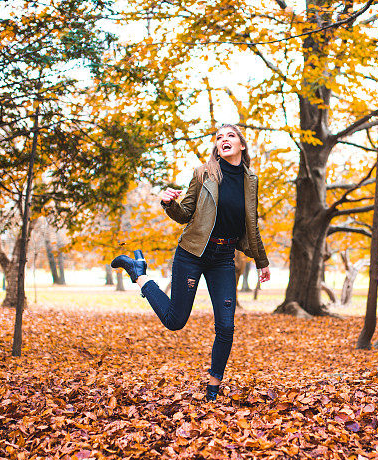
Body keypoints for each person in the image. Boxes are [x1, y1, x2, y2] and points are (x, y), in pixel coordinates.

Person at [111, 124, 270, 400]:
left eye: (230, 135)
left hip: (223, 258)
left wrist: (261, 260)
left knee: (226, 325)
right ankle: (140, 275)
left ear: (242, 146)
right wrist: (168, 203)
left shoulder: (250, 181)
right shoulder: (204, 173)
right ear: (217, 147)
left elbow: (251, 224)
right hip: (193, 253)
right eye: (219, 137)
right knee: (175, 321)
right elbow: (185, 213)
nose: (224, 140)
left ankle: (212, 389)